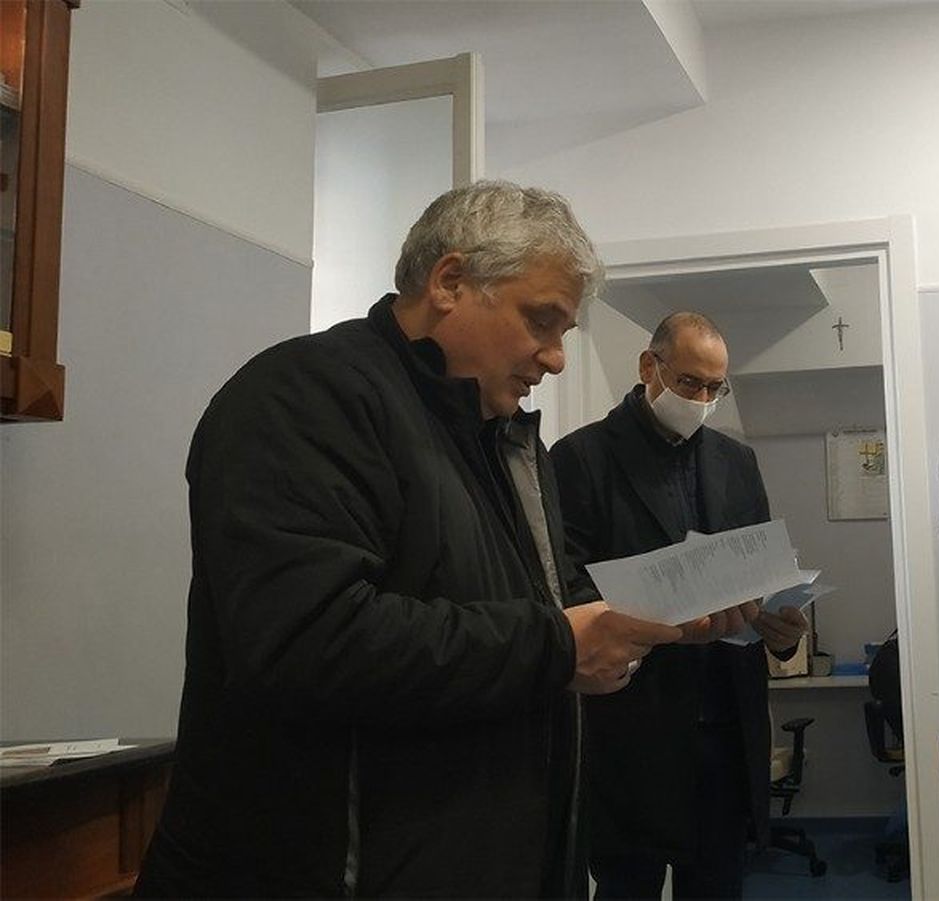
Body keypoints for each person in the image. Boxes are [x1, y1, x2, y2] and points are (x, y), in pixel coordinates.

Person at [135, 182, 682, 897]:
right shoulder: (299, 397)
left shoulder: (510, 442)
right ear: (450, 281)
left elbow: (545, 600)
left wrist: (649, 616)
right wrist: (557, 645)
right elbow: (305, 639)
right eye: (540, 321)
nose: (555, 358)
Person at [551, 312, 809, 900]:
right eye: (690, 383)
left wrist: (781, 629)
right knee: (627, 888)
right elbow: (564, 587)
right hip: (632, 726)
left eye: (716, 389)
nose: (702, 400)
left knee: (720, 887)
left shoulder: (735, 462)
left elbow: (763, 569)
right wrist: (659, 619)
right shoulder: (581, 459)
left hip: (725, 724)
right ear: (650, 366)